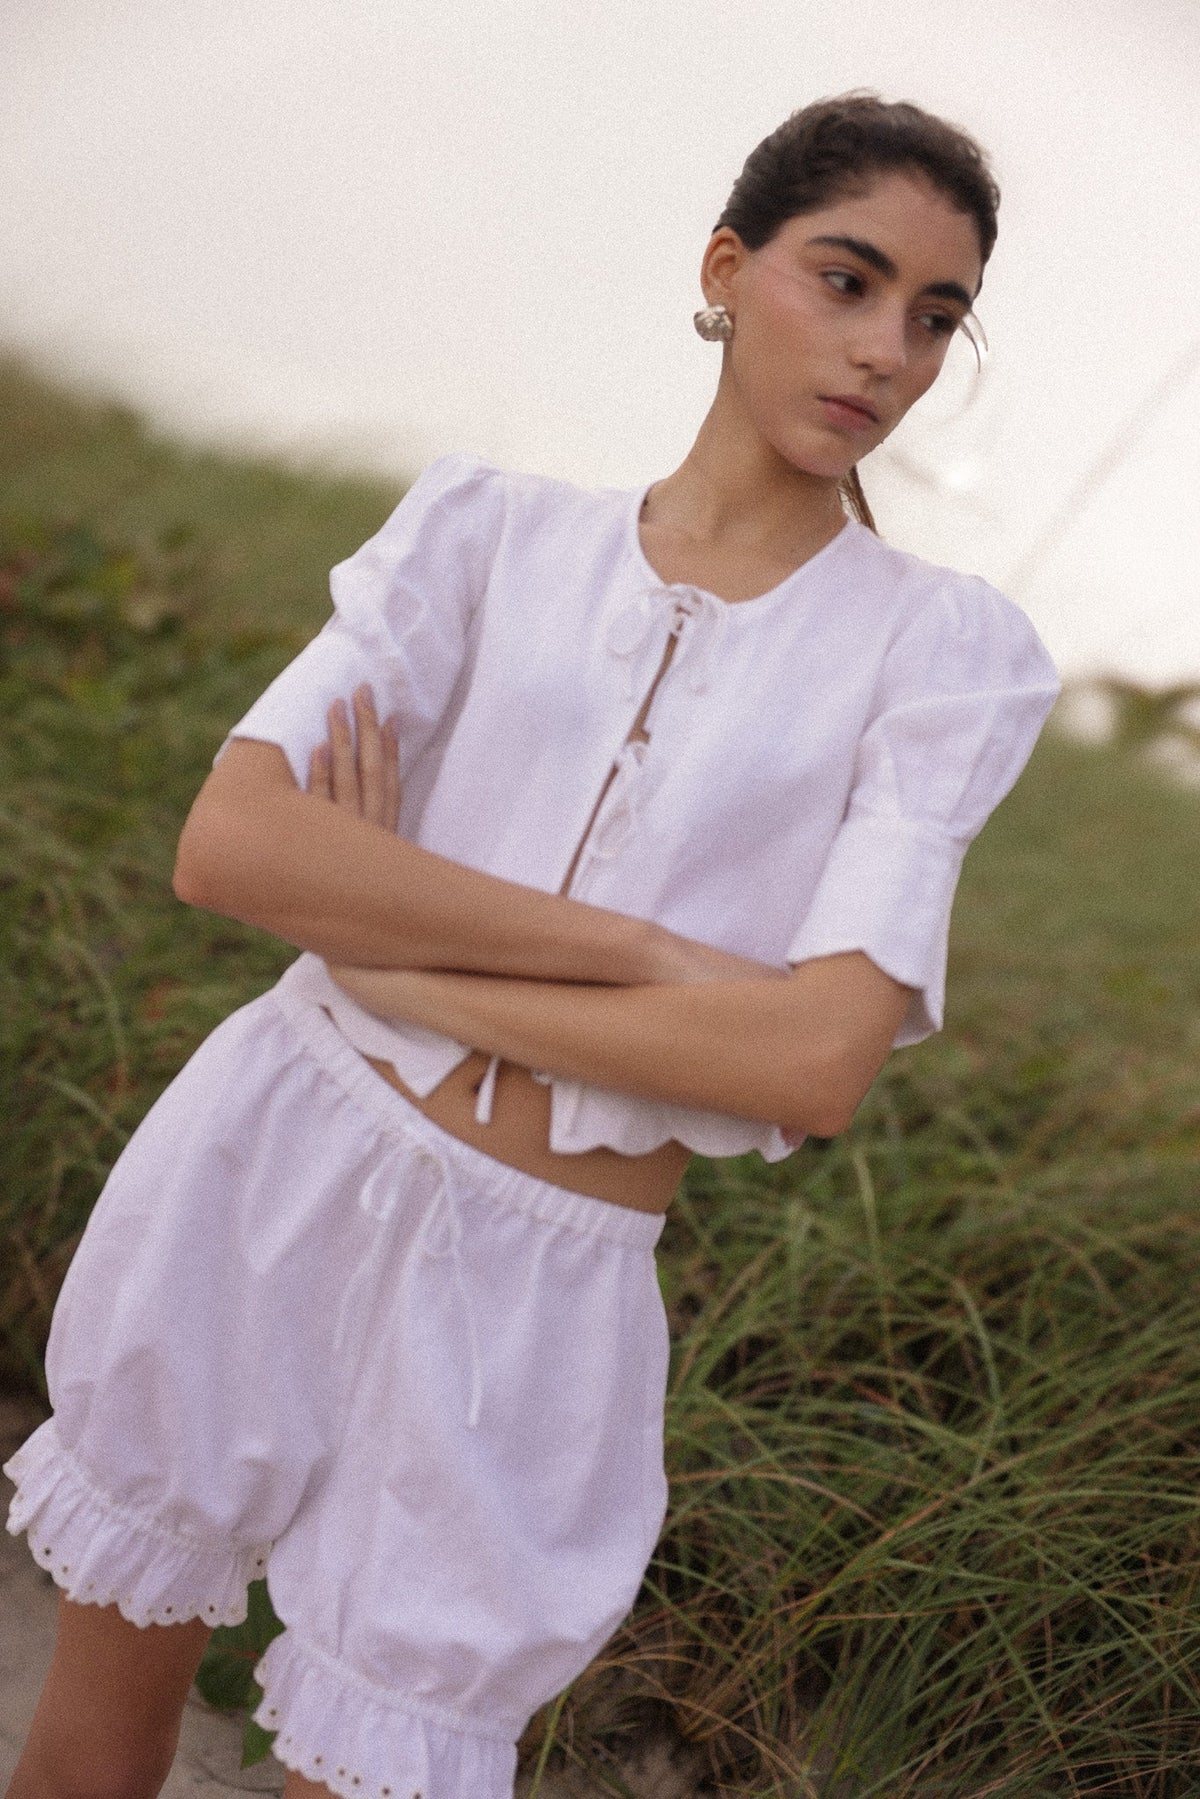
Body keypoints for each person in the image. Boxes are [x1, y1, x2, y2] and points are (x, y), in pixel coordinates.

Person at [4, 93, 1059, 1799]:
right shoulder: (485, 534)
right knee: (93, 1738)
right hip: (274, 1156)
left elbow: (814, 1060)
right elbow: (236, 845)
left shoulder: (944, 656)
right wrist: (652, 958)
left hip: (536, 1293)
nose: (888, 350)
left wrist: (394, 951)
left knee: (388, 1758)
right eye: (847, 280)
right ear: (726, 270)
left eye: (936, 318)